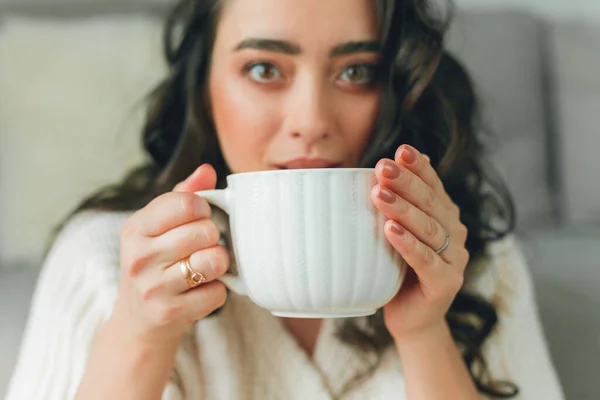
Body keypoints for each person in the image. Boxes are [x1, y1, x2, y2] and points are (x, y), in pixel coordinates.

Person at [6, 0, 564, 399]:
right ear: (204, 87)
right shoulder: (103, 261)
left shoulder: (474, 262)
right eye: (265, 69)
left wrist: (423, 332)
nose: (311, 121)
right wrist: (140, 331)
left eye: (356, 71)